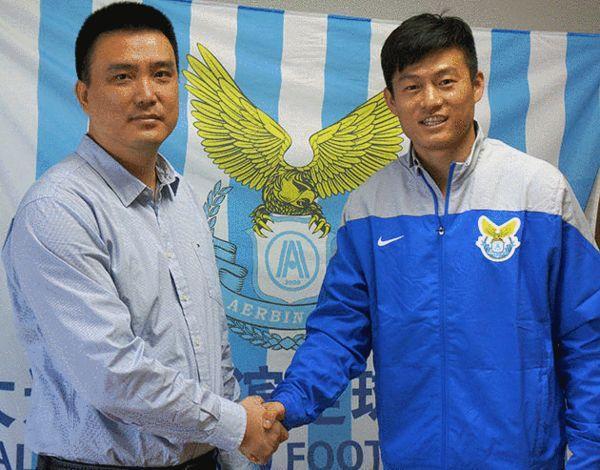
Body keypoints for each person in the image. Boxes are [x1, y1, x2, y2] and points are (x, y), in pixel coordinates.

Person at [264, 13, 600, 469]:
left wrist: (590, 455)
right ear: (391, 100)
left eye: (445, 82)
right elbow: (339, 332)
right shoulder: (369, 206)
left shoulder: (538, 191)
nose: (430, 101)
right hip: (413, 456)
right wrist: (286, 404)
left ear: (476, 84)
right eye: (412, 86)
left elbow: (588, 337)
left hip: (523, 458)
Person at [1, 2, 286, 468]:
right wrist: (238, 425)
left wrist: (234, 450)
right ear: (84, 95)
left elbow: (212, 347)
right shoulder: (57, 210)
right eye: (122, 77)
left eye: (162, 74)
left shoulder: (182, 197)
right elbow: (113, 375)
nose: (147, 94)